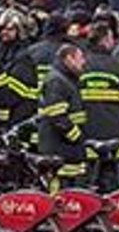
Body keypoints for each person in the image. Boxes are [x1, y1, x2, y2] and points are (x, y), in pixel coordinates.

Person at [77, 20, 119, 189]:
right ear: (104, 40)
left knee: (84, 185)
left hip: (85, 133)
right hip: (113, 133)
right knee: (111, 184)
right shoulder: (118, 66)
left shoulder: (80, 65)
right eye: (111, 38)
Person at [38, 42, 89, 185]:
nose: (84, 62)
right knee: (59, 191)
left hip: (67, 149)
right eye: (80, 58)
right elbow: (57, 116)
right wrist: (76, 136)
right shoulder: (56, 81)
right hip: (59, 148)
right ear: (69, 59)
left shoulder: (67, 79)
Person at [0, 9, 40, 133]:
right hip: (8, 115)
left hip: (20, 115)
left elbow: (12, 94)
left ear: (20, 31)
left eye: (10, 29)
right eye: (2, 29)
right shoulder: (1, 51)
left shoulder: (24, 57)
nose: (4, 32)